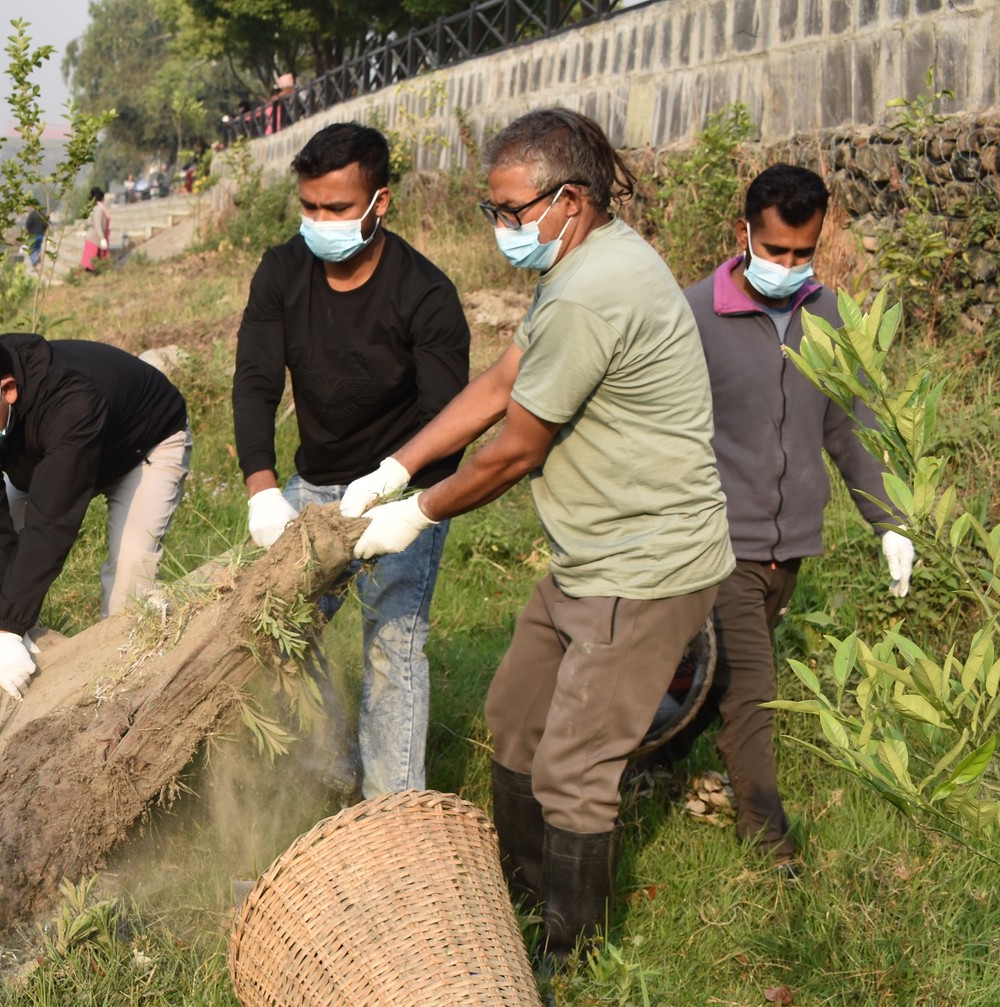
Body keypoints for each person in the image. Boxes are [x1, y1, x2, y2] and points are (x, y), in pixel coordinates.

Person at [348, 108, 734, 963]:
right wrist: (397, 464)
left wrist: (414, 515)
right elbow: (505, 377)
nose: (502, 229)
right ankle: (523, 897)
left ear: (570, 198)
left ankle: (571, 953)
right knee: (514, 717)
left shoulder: (597, 290)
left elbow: (517, 449)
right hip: (588, 555)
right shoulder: (576, 264)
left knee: (573, 767)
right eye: (494, 210)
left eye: (512, 211)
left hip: (642, 565)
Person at [668, 163, 912, 869]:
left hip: (791, 546)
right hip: (719, 546)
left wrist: (889, 522)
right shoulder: (692, 316)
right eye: (774, 250)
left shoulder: (828, 315)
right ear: (743, 233)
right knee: (754, 687)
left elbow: (849, 425)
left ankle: (648, 758)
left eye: (802, 253)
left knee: (708, 677)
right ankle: (769, 839)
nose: (788, 266)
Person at [233, 121, 471, 798]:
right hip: (314, 481)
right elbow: (255, 378)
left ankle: (392, 807)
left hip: (401, 486)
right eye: (309, 206)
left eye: (337, 208)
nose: (320, 221)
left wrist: (409, 506)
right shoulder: (282, 272)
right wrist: (261, 488)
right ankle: (330, 770)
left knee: (394, 643)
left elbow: (447, 422)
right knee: (284, 628)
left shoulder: (425, 295)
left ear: (380, 203)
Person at [0, 326, 190, 698]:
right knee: (8, 589)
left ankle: (127, 690)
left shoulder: (71, 398)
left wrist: (6, 626)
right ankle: (39, 663)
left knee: (130, 574)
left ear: (8, 390)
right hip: (50, 457)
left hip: (142, 443)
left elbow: (51, 521)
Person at [81, 187, 112, 273]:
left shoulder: (93, 207)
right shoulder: (99, 209)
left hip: (92, 237)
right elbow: (98, 225)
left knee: (91, 263)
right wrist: (102, 238)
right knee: (93, 263)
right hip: (95, 238)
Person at [24, 198, 50, 268]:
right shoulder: (43, 215)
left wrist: (25, 234)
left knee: (31, 250)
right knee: (38, 248)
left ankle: (34, 262)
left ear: (33, 206)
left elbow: (28, 226)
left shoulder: (32, 215)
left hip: (33, 235)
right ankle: (38, 256)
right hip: (41, 235)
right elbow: (46, 225)